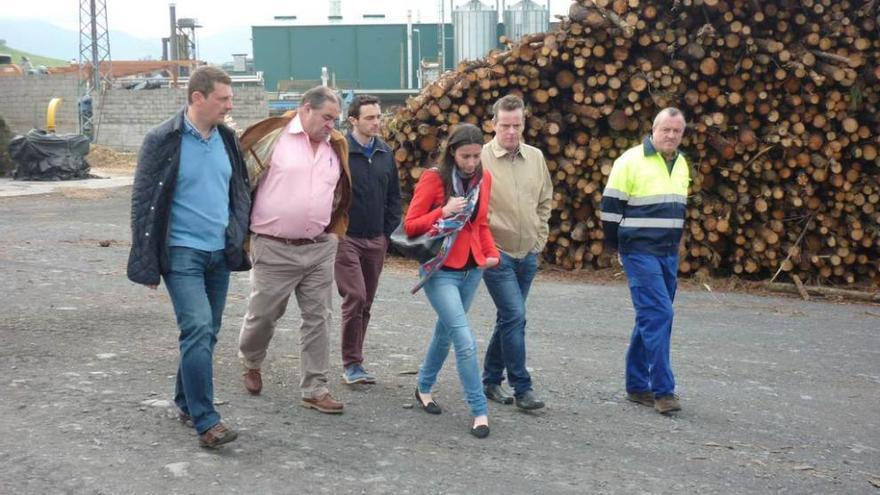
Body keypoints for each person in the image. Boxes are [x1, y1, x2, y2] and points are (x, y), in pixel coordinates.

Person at [127, 66, 251, 448]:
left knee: (207, 332)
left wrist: (237, 231)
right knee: (197, 327)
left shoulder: (227, 139)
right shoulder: (163, 139)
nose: (229, 106)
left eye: (230, 99)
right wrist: (145, 261)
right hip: (181, 252)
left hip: (219, 252)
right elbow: (143, 201)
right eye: (223, 99)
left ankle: (184, 400)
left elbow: (239, 191)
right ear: (198, 98)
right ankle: (206, 420)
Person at [237, 86, 352, 414]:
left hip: (318, 248)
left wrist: (334, 234)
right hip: (273, 247)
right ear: (305, 110)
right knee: (264, 316)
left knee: (319, 318)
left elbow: (341, 192)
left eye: (335, 119)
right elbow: (242, 182)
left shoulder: (336, 147)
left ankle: (315, 388)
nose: (331, 125)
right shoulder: (273, 139)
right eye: (327, 117)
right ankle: (251, 360)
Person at [404, 123, 499, 438]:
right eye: (465, 156)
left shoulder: (484, 179)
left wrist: (489, 254)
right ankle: (479, 411)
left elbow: (481, 223)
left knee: (444, 335)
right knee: (465, 341)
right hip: (439, 269)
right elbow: (411, 225)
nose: (471, 163)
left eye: (476, 156)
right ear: (452, 153)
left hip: (473, 269)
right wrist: (443, 210)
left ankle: (423, 386)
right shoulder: (434, 179)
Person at [599, 107, 690, 415]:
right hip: (639, 253)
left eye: (677, 131)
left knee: (650, 318)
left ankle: (637, 384)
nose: (671, 135)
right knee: (661, 314)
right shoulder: (630, 161)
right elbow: (610, 209)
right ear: (654, 130)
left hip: (667, 254)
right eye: (666, 130)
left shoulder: (681, 164)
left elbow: (679, 210)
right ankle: (663, 391)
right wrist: (617, 249)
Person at [479, 94, 553, 410]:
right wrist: (486, 246)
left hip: (528, 254)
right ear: (493, 125)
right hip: (497, 254)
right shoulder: (480, 158)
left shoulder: (535, 157)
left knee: (510, 318)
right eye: (505, 125)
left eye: (517, 125)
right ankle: (522, 388)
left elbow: (545, 200)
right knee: (514, 316)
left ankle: (490, 380)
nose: (511, 131)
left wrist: (540, 238)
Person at [335, 95, 401, 385]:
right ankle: (351, 364)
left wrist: (386, 235)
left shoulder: (386, 154)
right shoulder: (340, 152)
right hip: (346, 238)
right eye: (370, 117)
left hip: (376, 240)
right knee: (356, 297)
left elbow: (394, 197)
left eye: (378, 117)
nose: (377, 122)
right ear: (353, 120)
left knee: (367, 303)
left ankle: (356, 360)